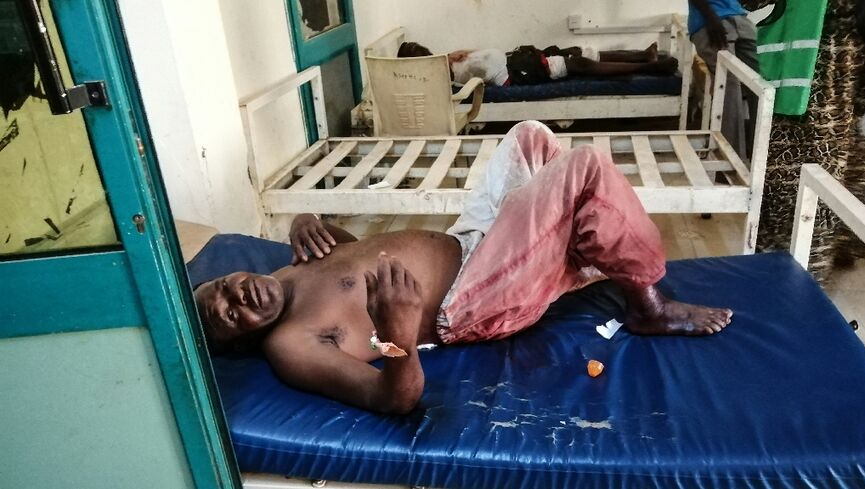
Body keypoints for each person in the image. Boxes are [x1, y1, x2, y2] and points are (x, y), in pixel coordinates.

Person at [195, 121, 733, 414]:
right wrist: (401, 335)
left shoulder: (287, 271)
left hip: (467, 241)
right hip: (472, 300)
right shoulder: (293, 346)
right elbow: (394, 399)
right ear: (245, 340)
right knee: (583, 168)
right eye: (228, 316)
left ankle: (568, 249)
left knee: (530, 136)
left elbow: (356, 259)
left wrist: (310, 221)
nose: (236, 297)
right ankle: (648, 303)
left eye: (223, 287)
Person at [397, 41, 678, 87]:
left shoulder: (445, 61)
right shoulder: (439, 80)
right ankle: (649, 67)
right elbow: (494, 82)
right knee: (577, 63)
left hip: (515, 59)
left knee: (572, 50)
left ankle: (642, 56)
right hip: (516, 73)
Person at [689, 0, 758, 158]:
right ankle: (731, 161)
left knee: (763, 81)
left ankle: (762, 155)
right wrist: (710, 18)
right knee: (729, 86)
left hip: (740, 17)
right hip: (709, 21)